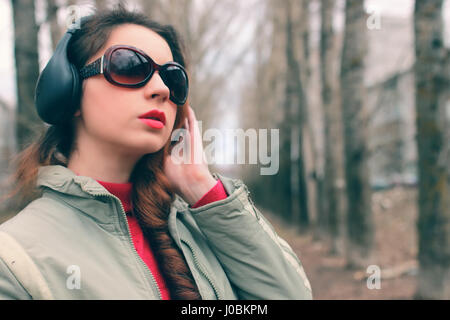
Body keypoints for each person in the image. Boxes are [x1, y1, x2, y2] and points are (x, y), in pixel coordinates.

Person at [0, 7, 312, 300]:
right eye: (130, 66)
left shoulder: (202, 221)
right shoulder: (14, 259)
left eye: (173, 77)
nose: (161, 88)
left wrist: (206, 193)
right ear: (68, 89)